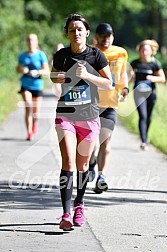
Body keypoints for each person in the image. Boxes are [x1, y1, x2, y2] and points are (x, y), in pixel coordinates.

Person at [50, 13, 112, 231]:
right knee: (67, 163)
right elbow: (53, 76)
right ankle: (66, 213)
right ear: (67, 33)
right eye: (71, 29)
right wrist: (66, 76)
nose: (76, 33)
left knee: (83, 165)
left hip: (89, 117)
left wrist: (87, 75)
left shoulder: (96, 56)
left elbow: (108, 84)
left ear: (87, 32)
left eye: (79, 29)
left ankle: (79, 205)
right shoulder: (61, 55)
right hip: (65, 114)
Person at [88, 23, 129, 194]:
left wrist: (124, 87)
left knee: (106, 142)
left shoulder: (121, 53)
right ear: (96, 37)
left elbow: (122, 73)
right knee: (90, 142)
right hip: (90, 104)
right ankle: (91, 163)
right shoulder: (89, 52)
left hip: (111, 103)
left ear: (113, 36)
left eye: (109, 36)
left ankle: (101, 177)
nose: (106, 39)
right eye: (103, 35)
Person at [130, 39, 166, 150]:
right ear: (139, 51)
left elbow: (162, 78)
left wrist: (152, 78)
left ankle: (146, 136)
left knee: (148, 117)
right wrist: (131, 78)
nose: (144, 52)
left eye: (146, 50)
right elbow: (129, 77)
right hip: (138, 93)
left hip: (151, 93)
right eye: (142, 49)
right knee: (143, 116)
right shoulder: (135, 63)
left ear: (151, 51)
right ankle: (144, 141)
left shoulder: (155, 63)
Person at [16, 33, 50, 140]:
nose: (31, 42)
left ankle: (35, 123)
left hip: (37, 85)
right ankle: (29, 132)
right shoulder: (23, 56)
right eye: (29, 40)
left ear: (36, 42)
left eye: (33, 40)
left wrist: (37, 71)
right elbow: (17, 69)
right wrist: (22, 70)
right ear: (27, 42)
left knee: (36, 113)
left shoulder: (41, 55)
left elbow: (46, 71)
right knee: (28, 106)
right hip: (25, 84)